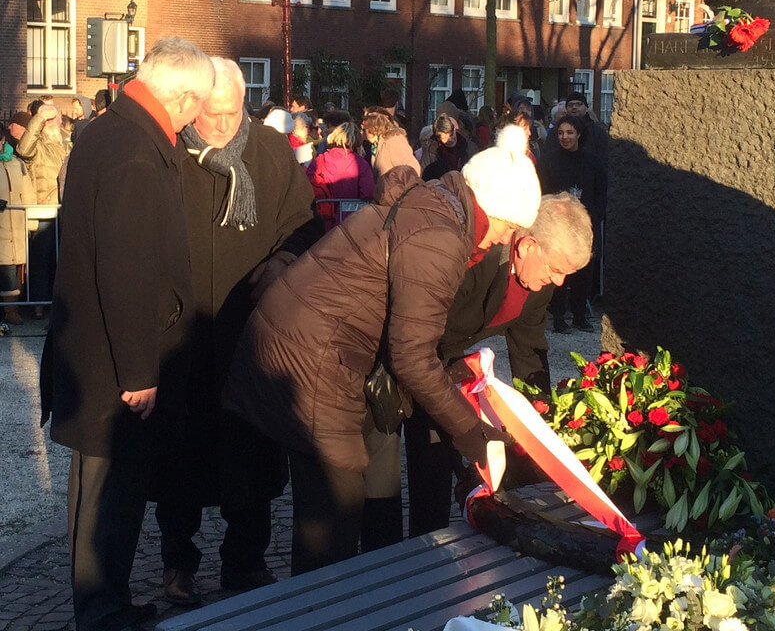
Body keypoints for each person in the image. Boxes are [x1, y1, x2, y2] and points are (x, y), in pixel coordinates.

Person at [222, 125, 539, 574]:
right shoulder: (442, 236)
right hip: (314, 357)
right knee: (334, 512)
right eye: (509, 227)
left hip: (306, 343)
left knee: (337, 503)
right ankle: (315, 612)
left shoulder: (436, 203)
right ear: (493, 209)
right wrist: (470, 431)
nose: (502, 240)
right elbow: (412, 354)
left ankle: (320, 601)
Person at [39, 37, 214, 631]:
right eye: (198, 106)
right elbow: (128, 267)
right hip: (117, 367)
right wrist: (141, 371)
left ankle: (102, 599)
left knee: (97, 492)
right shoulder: (138, 151)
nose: (196, 119)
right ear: (183, 96)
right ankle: (101, 611)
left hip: (92, 355)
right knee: (108, 496)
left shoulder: (111, 131)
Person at [151, 59, 321, 607]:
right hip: (184, 339)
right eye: (210, 115)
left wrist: (284, 259)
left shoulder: (269, 154)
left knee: (251, 457)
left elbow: (306, 224)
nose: (221, 127)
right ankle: (178, 564)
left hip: (249, 336)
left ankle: (245, 563)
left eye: (231, 115)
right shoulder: (170, 154)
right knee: (180, 460)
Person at [376, 192, 594, 543]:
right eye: (556, 269)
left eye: (566, 274)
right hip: (404, 352)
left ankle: (434, 540)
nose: (558, 283)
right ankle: (406, 549)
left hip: (443, 356)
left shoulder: (536, 279)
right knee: (416, 459)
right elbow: (418, 335)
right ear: (527, 246)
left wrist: (537, 423)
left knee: (442, 449)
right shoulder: (474, 258)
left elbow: (529, 347)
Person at [538, 115, 606, 333]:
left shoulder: (593, 162)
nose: (564, 137)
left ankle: (579, 315)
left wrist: (594, 216)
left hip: (585, 224)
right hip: (558, 226)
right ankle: (558, 316)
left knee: (584, 273)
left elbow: (601, 193)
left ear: (578, 134)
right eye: (560, 133)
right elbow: (544, 192)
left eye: (569, 132)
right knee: (559, 272)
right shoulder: (549, 161)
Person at [16, 99, 70, 317]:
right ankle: (38, 305)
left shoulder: (66, 143)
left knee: (62, 261)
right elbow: (23, 148)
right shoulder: (36, 145)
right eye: (48, 118)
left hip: (65, 210)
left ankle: (59, 305)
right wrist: (38, 119)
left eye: (55, 117)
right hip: (44, 211)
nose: (52, 121)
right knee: (40, 260)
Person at [306, 121, 375, 229]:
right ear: (356, 142)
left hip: (323, 221)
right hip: (352, 223)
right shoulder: (361, 164)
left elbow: (308, 188)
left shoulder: (319, 161)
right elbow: (368, 193)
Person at [0, 133, 35, 327]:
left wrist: (31, 222)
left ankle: (12, 310)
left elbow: (28, 191)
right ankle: (7, 310)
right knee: (5, 269)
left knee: (15, 269)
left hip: (16, 223)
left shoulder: (17, 163)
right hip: (2, 225)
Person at [363, 107, 420, 180]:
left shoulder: (393, 142)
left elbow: (413, 168)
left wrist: (398, 186)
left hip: (397, 189)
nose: (362, 132)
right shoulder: (376, 145)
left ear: (373, 128)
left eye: (364, 129)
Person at [419, 113, 478, 180]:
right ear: (438, 139)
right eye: (445, 138)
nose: (450, 140)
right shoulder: (432, 151)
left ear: (455, 130)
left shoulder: (469, 147)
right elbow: (424, 177)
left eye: (452, 135)